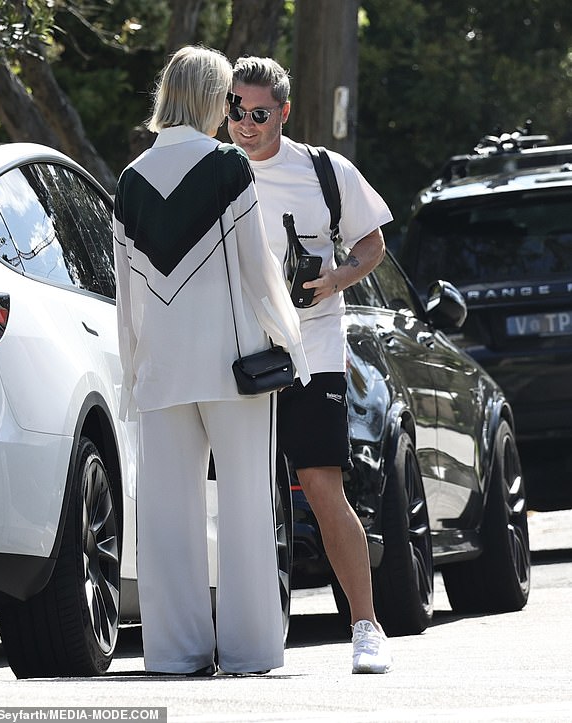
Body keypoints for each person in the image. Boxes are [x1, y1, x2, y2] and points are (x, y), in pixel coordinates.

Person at [113, 46, 310, 676]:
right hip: (236, 368)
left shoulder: (131, 177)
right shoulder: (230, 167)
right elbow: (259, 270)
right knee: (249, 505)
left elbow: (127, 295)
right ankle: (251, 651)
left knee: (167, 516)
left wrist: (132, 372)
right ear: (209, 98)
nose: (233, 109)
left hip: (162, 371)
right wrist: (291, 342)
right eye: (227, 96)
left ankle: (173, 654)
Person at [228, 56, 393, 674]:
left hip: (314, 347)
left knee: (323, 486)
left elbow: (373, 241)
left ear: (284, 113)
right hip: (240, 350)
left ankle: (365, 626)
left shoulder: (324, 170)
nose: (246, 124)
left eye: (259, 113)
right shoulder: (215, 173)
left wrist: (334, 280)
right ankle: (243, 629)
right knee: (241, 493)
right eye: (236, 112)